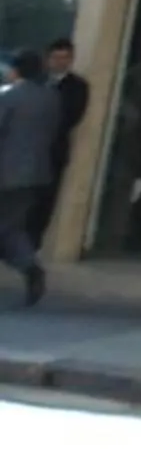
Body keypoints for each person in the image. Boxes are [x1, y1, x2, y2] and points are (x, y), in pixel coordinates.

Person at [0, 53, 57, 305]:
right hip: (36, 173)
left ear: (16, 71)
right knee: (12, 226)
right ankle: (30, 266)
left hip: (6, 172)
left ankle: (29, 266)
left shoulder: (11, 98)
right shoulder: (51, 98)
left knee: (8, 227)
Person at [27, 40, 86, 251]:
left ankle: (32, 243)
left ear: (71, 60)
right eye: (56, 58)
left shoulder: (78, 86)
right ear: (48, 59)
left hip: (53, 152)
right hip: (26, 151)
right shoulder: (36, 81)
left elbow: (72, 116)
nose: (60, 63)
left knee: (45, 200)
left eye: (65, 58)